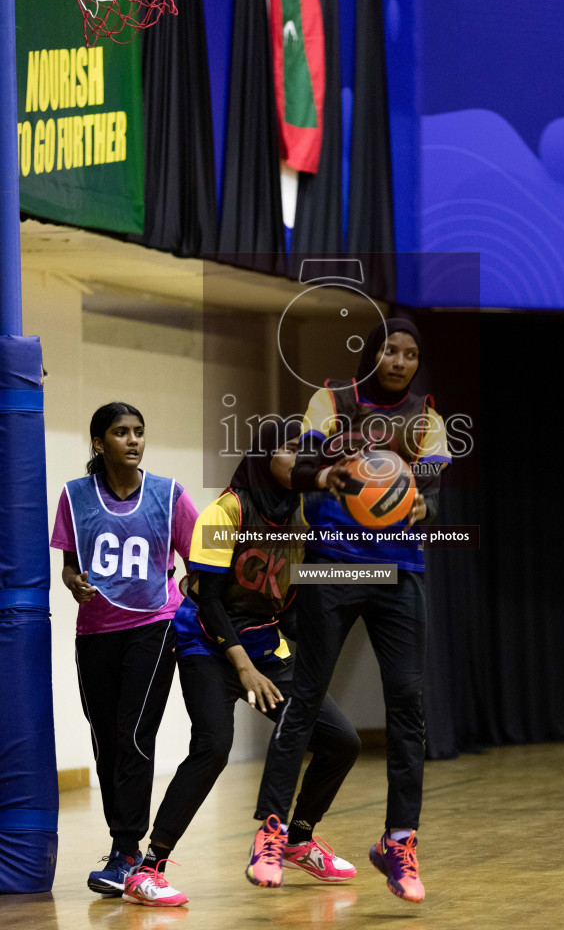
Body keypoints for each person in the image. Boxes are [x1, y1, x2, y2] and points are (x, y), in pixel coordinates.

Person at [247, 318, 451, 904]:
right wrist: (326, 474)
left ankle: (399, 841)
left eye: (411, 354)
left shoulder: (428, 419)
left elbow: (432, 488)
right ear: (373, 352)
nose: (400, 361)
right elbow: (288, 465)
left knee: (407, 706)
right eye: (391, 349)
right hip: (332, 564)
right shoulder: (332, 400)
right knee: (306, 697)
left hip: (398, 572)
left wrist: (425, 512)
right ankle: (271, 833)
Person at [123, 421, 360, 907]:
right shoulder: (225, 509)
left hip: (262, 644)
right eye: (292, 452)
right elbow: (209, 600)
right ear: (263, 456)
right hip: (206, 647)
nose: (303, 463)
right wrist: (244, 669)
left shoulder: (301, 514)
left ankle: (298, 839)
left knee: (341, 741)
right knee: (213, 747)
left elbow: (285, 601)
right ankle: (147, 869)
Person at [50, 402, 198, 896]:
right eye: (120, 432)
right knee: (106, 738)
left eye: (138, 432)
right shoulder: (74, 497)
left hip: (155, 626)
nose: (133, 440)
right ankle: (124, 846)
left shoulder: (169, 495)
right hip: (95, 632)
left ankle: (126, 849)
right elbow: (70, 566)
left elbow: (201, 555)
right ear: (99, 443)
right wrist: (74, 583)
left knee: (134, 733)